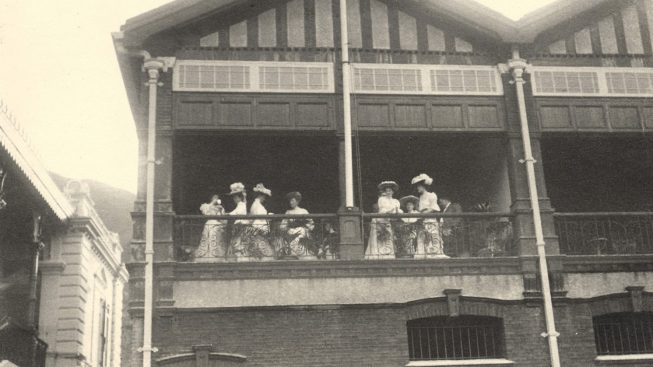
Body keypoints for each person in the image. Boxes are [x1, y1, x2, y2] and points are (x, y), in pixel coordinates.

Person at [412, 173, 448, 258]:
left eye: (419, 186)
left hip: (430, 220)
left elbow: (433, 208)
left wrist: (422, 214)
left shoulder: (432, 195)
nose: (417, 188)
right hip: (422, 221)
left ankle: (434, 253)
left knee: (432, 237)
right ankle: (422, 254)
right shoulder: (420, 197)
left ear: (423, 186)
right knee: (422, 239)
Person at [365, 181, 401, 259]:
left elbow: (398, 211)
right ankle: (377, 255)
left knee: (388, 238)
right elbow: (382, 210)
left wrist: (395, 212)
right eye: (387, 190)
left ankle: (388, 255)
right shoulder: (381, 199)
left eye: (390, 190)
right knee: (380, 238)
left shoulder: (396, 201)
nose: (388, 192)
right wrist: (390, 211)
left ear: (393, 191)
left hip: (388, 221)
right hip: (380, 221)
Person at [279, 191, 316, 259]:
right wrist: (288, 229)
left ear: (297, 201)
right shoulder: (288, 212)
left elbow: (311, 224)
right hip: (291, 235)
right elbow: (282, 226)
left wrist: (304, 229)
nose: (291, 202)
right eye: (290, 201)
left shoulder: (303, 211)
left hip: (302, 237)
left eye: (292, 200)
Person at [244, 183, 275, 260]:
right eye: (264, 196)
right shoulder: (257, 205)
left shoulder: (256, 204)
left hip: (259, 229)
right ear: (261, 196)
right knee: (264, 252)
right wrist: (269, 216)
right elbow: (260, 217)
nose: (264, 198)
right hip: (258, 228)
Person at [194, 194, 226, 261]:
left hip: (217, 224)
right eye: (214, 198)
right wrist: (212, 204)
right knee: (209, 237)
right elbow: (205, 213)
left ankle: (217, 255)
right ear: (211, 198)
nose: (216, 199)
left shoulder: (220, 207)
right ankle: (207, 255)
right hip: (210, 223)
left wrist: (220, 211)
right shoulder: (206, 206)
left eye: (217, 198)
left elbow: (222, 219)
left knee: (216, 239)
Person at [226, 182, 248, 260]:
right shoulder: (241, 204)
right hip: (240, 225)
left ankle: (241, 258)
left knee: (239, 242)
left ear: (239, 197)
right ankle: (239, 257)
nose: (234, 199)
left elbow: (235, 213)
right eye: (234, 198)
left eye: (235, 198)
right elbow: (234, 212)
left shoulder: (241, 204)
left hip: (241, 225)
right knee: (238, 242)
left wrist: (227, 214)